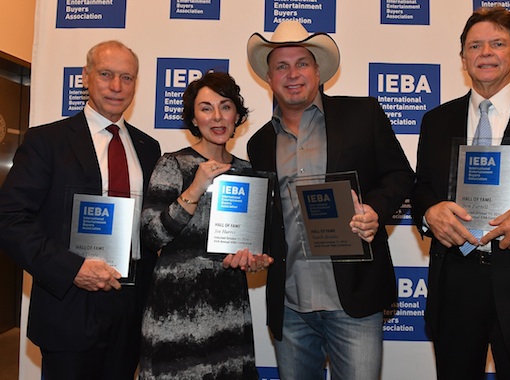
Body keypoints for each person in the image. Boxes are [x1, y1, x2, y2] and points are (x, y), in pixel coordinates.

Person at [246, 21, 414, 379]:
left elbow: (401, 176)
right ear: (268, 77)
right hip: (290, 304)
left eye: (302, 63)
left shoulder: (363, 115)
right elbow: (266, 217)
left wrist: (375, 211)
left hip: (353, 300)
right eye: (281, 66)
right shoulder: (258, 143)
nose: (292, 74)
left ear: (318, 70)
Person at [411, 6, 510, 380]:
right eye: (475, 45)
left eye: (497, 43)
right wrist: (429, 213)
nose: (485, 52)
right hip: (456, 287)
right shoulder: (436, 120)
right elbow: (422, 190)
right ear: (463, 57)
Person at [0, 40, 161, 379]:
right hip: (69, 302)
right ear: (86, 77)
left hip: (131, 307)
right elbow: (10, 219)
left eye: (127, 78)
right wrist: (72, 269)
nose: (117, 87)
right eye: (106, 74)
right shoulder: (47, 141)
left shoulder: (148, 147)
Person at [138, 71, 272, 380]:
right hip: (175, 315)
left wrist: (255, 261)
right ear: (193, 118)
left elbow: (251, 244)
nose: (217, 116)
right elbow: (152, 235)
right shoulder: (173, 164)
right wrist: (195, 188)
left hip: (229, 313)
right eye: (206, 108)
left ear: (237, 114)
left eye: (225, 106)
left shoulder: (247, 172)